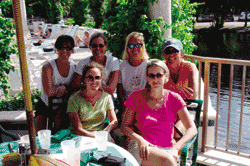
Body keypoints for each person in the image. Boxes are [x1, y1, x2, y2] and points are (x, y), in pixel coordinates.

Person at [120, 59, 197, 166]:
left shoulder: (174, 98)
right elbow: (124, 127)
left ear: (166, 77)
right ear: (147, 78)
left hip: (167, 149)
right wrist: (140, 139)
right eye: (151, 76)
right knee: (168, 161)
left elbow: (192, 129)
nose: (155, 79)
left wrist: (176, 148)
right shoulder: (136, 97)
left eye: (159, 75)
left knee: (167, 159)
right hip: (142, 147)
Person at [34, 35, 76, 133]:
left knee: (61, 134)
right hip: (45, 105)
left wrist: (63, 89)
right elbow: (49, 92)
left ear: (72, 50)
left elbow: (75, 90)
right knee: (39, 136)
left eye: (68, 48)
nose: (65, 51)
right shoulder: (48, 67)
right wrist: (66, 89)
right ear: (56, 49)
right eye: (61, 47)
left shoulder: (74, 67)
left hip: (63, 106)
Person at [67, 62, 118, 137]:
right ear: (84, 80)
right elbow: (78, 129)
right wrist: (97, 137)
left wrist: (105, 132)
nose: (94, 81)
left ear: (101, 79)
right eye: (90, 78)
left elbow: (114, 121)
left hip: (101, 135)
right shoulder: (74, 99)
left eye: (97, 77)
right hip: (80, 137)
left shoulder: (107, 97)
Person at [117, 32, 149, 122]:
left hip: (144, 104)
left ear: (143, 47)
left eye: (138, 45)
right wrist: (125, 107)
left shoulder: (148, 65)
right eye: (131, 46)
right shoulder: (122, 65)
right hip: (127, 104)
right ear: (127, 48)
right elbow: (120, 90)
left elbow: (149, 89)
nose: (135, 48)